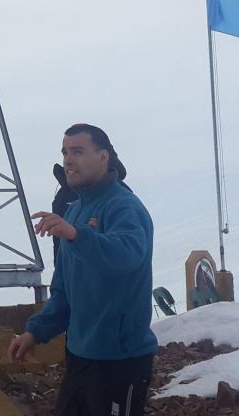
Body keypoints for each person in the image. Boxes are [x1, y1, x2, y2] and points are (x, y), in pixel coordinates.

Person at [9, 124, 158, 415]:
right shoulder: (73, 212)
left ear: (104, 157)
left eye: (78, 151)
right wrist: (35, 333)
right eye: (65, 152)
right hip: (80, 356)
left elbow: (125, 256)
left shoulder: (124, 207)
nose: (68, 159)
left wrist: (77, 235)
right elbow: (64, 291)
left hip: (121, 360)